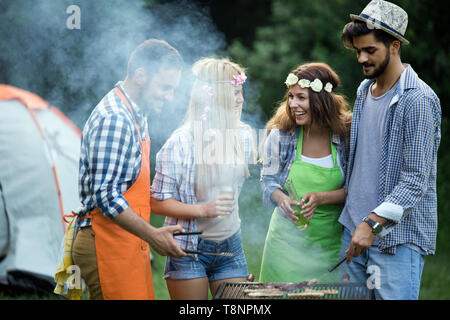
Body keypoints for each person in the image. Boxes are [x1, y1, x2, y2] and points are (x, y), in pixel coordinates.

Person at [339, 0, 441, 300]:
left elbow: (414, 181)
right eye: (358, 50)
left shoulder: (418, 99)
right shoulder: (363, 90)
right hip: (353, 231)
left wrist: (372, 224)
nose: (362, 58)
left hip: (395, 238)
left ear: (394, 46)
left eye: (370, 50)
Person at [72, 39, 187, 300]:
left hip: (125, 241)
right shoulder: (116, 118)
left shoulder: (136, 113)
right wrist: (154, 235)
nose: (169, 97)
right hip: (105, 243)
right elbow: (106, 195)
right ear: (140, 76)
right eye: (165, 88)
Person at [150, 57, 257, 300]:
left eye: (241, 91)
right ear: (214, 96)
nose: (241, 99)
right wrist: (203, 209)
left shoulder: (244, 136)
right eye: (235, 92)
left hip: (231, 247)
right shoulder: (180, 142)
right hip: (187, 250)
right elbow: (156, 202)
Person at [259, 62, 352, 283]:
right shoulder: (281, 135)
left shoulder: (346, 136)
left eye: (301, 97)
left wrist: (321, 198)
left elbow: (357, 189)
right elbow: (268, 180)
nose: (293, 104)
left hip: (329, 245)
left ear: (321, 100)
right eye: (291, 97)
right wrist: (281, 199)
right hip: (284, 246)